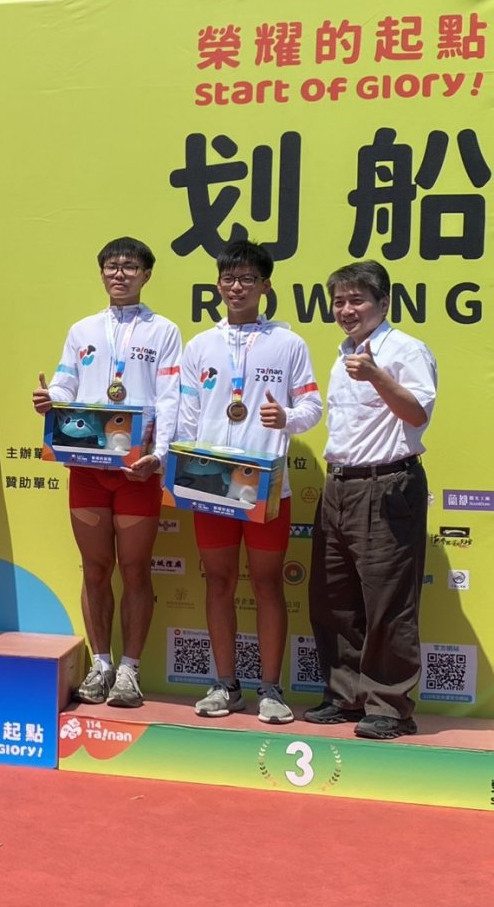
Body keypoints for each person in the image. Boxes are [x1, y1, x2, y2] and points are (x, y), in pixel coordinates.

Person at [31, 237, 181, 708]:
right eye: (112, 267)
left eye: (130, 267)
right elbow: (66, 382)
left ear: (147, 274)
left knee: (135, 569)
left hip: (138, 468)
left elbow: (171, 398)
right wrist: (51, 398)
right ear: (101, 273)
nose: (120, 274)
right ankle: (101, 664)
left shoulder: (164, 331)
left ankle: (130, 671)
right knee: (95, 568)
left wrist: (161, 454)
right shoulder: (83, 329)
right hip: (88, 466)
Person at [177, 239, 322, 724]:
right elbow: (187, 417)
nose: (236, 287)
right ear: (218, 285)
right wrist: (181, 467)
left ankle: (272, 689)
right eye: (228, 278)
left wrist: (287, 418)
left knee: (267, 584)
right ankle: (225, 684)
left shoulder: (288, 343)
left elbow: (312, 407)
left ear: (265, 286)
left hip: (266, 486)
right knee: (218, 582)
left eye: (247, 279)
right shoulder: (200, 345)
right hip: (210, 483)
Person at [305, 260, 436, 739]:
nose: (346, 309)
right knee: (332, 598)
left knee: (388, 602)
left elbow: (417, 413)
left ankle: (390, 706)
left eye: (357, 300)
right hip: (339, 484)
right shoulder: (343, 354)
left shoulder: (405, 350)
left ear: (383, 303)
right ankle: (346, 696)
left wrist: (378, 376)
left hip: (387, 485)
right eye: (339, 301)